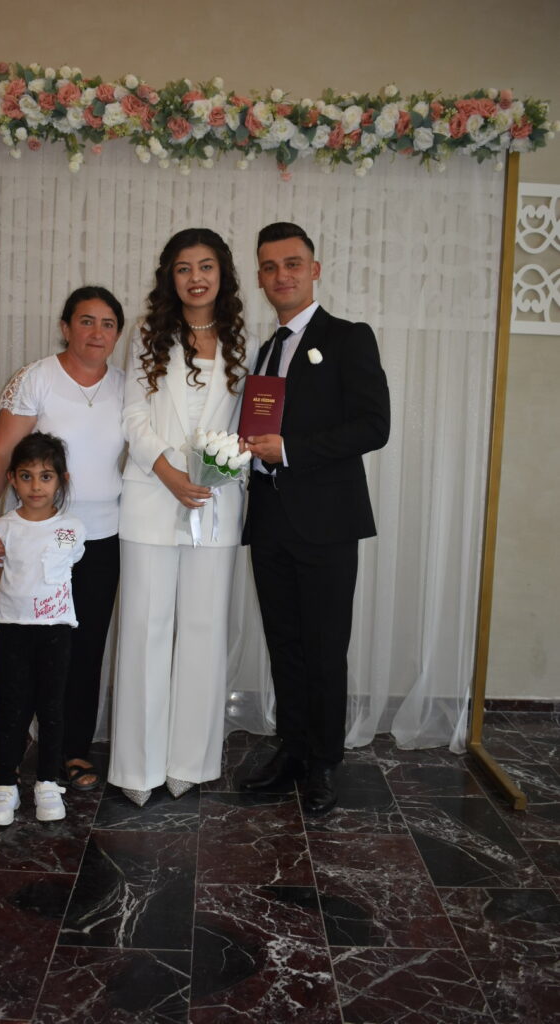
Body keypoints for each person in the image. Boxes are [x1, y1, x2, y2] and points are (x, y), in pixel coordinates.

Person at [241, 222, 390, 814]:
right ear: (260, 277)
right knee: (285, 643)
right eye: (270, 266)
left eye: (292, 263)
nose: (282, 275)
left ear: (314, 270)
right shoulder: (265, 350)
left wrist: (291, 450)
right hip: (270, 519)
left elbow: (374, 426)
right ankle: (293, 750)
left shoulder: (349, 337)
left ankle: (325, 761)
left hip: (327, 522)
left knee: (325, 647)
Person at [108, 228, 257, 806]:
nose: (196, 277)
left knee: (203, 629)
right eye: (184, 268)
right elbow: (133, 417)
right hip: (151, 495)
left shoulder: (246, 339)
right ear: (169, 277)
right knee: (145, 628)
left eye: (206, 266)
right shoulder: (148, 334)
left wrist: (224, 467)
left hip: (217, 502)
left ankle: (189, 761)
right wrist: (168, 471)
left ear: (223, 274)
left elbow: (250, 422)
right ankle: (137, 766)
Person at [0, 286, 125, 792]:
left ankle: (73, 750)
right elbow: (2, 454)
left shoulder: (127, 386)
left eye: (107, 324)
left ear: (117, 334)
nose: (97, 332)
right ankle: (14, 751)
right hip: (37, 539)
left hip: (102, 539)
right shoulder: (35, 378)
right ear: (65, 326)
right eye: (86, 321)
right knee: (28, 648)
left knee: (85, 647)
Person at [0, 432, 86, 825]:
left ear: (61, 480)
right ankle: (5, 785)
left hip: (56, 629)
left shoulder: (72, 528)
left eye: (46, 476)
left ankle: (47, 782)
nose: (36, 486)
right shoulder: (3, 527)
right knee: (10, 707)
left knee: (52, 707)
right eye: (26, 476)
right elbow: (2, 573)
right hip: (14, 629)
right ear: (12, 479)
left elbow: (68, 567)